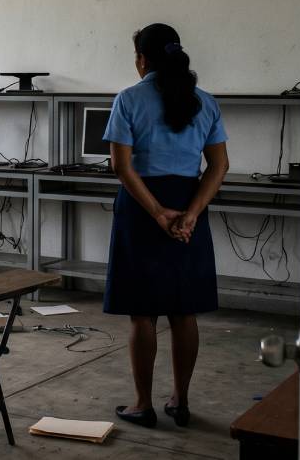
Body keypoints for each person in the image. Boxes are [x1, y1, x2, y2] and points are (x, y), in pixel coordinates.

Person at [102, 23, 229, 429]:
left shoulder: (129, 99)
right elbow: (219, 165)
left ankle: (142, 404)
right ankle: (181, 400)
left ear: (142, 59)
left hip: (143, 208)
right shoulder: (204, 102)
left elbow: (121, 166)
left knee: (142, 313)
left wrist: (158, 212)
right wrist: (190, 213)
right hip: (189, 203)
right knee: (183, 310)